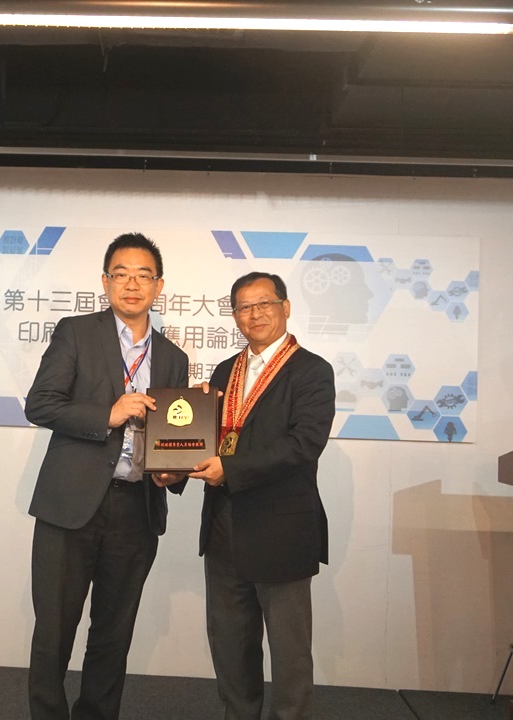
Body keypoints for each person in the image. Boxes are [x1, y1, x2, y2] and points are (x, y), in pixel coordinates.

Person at [24, 233, 190, 720]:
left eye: (143, 275)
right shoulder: (76, 332)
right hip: (71, 506)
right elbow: (40, 404)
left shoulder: (173, 358)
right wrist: (108, 414)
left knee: (113, 635)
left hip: (137, 508)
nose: (132, 284)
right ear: (105, 281)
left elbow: (176, 435)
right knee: (54, 631)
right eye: (121, 274)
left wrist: (172, 474)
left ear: (159, 286)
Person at [190, 271, 336, 720]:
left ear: (285, 307)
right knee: (230, 646)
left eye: (264, 304)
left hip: (281, 532)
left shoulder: (312, 371)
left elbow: (303, 445)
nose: (254, 315)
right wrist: (176, 459)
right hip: (223, 528)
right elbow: (209, 439)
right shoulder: (224, 371)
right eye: (244, 307)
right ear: (234, 315)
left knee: (289, 654)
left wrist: (230, 469)